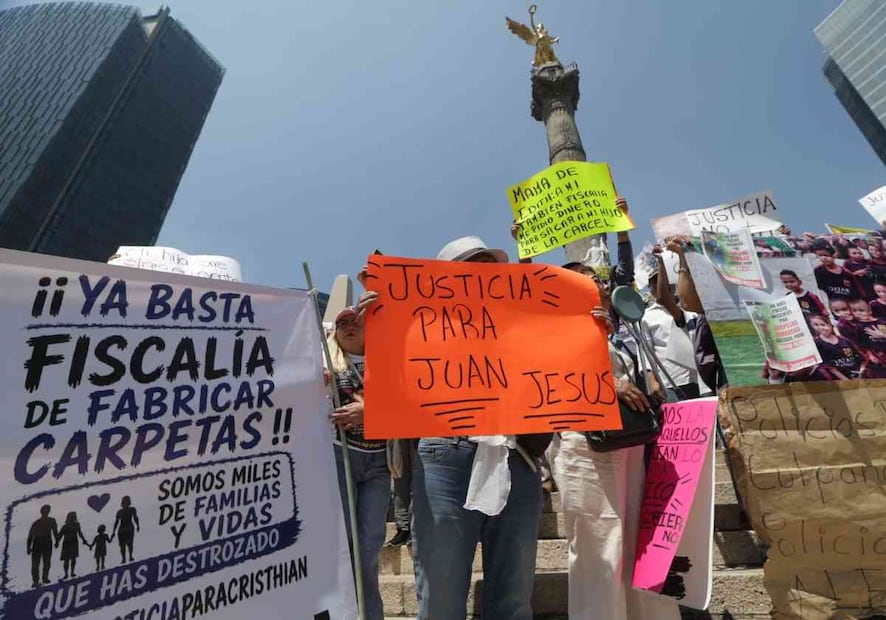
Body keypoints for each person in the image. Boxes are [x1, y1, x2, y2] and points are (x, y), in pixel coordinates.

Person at [359, 236, 549, 619]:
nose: (484, 276)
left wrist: (589, 329)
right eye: (471, 267)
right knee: (441, 597)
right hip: (446, 454)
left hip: (518, 457)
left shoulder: (525, 322)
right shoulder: (421, 324)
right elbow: (394, 381)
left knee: (513, 598)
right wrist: (379, 323)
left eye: (490, 268)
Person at [550, 262, 681, 620]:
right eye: (589, 281)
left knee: (636, 542)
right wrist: (609, 385)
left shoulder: (616, 334)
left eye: (601, 281)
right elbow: (549, 381)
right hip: (585, 451)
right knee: (599, 547)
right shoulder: (550, 332)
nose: (601, 285)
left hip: (628, 447)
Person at [327, 307, 390, 620]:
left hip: (380, 461)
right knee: (343, 543)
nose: (350, 327)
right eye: (343, 323)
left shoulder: (388, 363)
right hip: (341, 457)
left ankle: (368, 614)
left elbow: (404, 401)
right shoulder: (326, 365)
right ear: (335, 332)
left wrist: (369, 411)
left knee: (369, 545)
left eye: (356, 322)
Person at [642, 246, 701, 400]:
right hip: (671, 381)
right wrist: (652, 380)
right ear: (651, 287)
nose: (664, 283)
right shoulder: (646, 317)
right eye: (657, 282)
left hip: (700, 378)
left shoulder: (691, 308)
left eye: (668, 279)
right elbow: (646, 351)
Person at [809, 314, 865, 380]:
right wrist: (847, 381)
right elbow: (831, 368)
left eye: (823, 324)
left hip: (857, 374)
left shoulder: (845, 340)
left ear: (830, 325)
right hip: (839, 378)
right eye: (816, 325)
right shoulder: (817, 343)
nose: (820, 327)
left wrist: (861, 373)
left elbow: (861, 359)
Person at [27, 505, 58, 588]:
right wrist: (28, 547)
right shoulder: (41, 522)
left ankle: (42, 579)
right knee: (37, 563)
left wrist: (57, 541)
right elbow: (31, 535)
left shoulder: (40, 522)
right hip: (40, 544)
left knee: (44, 562)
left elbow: (55, 532)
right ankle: (37, 580)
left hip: (44, 544)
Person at [56, 511, 88, 579]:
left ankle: (71, 573)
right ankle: (67, 574)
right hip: (68, 544)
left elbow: (80, 533)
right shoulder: (66, 526)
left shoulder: (75, 525)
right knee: (67, 560)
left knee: (71, 559)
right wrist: (57, 542)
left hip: (72, 543)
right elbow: (60, 535)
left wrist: (83, 540)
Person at [112, 496, 139, 563]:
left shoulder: (131, 509)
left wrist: (138, 525)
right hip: (123, 529)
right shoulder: (120, 512)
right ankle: (124, 558)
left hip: (127, 528)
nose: (125, 504)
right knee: (123, 545)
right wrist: (114, 531)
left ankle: (129, 556)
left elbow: (135, 517)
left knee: (129, 543)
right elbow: (116, 522)